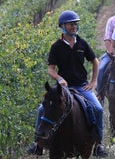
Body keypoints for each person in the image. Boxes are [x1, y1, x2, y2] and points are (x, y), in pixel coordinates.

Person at [27, 10, 108, 157]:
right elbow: (50, 69)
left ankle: (98, 145)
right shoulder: (56, 46)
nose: (74, 26)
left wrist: (93, 81)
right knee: (41, 109)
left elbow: (95, 61)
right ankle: (38, 144)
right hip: (63, 88)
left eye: (75, 24)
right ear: (62, 26)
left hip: (81, 86)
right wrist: (59, 79)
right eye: (71, 24)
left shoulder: (82, 43)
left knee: (98, 109)